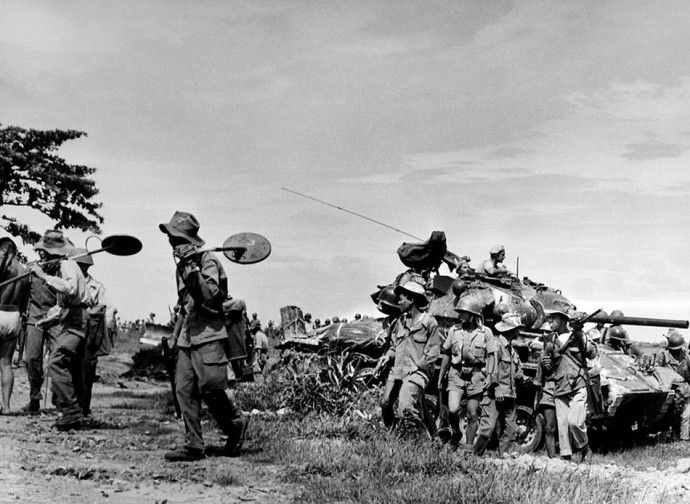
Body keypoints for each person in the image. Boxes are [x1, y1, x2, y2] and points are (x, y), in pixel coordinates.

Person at [159, 211, 248, 462]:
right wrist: (174, 337)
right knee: (184, 390)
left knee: (211, 388)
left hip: (209, 334)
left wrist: (193, 269)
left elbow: (208, 298)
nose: (172, 244)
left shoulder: (208, 261)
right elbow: (184, 306)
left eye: (175, 239)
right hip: (188, 336)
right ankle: (194, 445)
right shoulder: (181, 267)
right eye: (171, 239)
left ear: (188, 240)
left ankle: (235, 425)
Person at [30, 230, 89, 430]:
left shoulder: (68, 265)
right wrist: (50, 320)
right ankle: (71, 411)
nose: (41, 257)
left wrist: (43, 276)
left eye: (43, 253)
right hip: (67, 319)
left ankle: (71, 411)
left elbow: (70, 290)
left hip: (77, 322)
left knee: (57, 361)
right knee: (68, 366)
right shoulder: (61, 268)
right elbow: (64, 304)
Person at [378, 281, 440, 436]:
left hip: (417, 372)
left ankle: (418, 441)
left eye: (401, 299)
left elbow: (433, 352)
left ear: (411, 300)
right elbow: (395, 346)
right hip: (398, 370)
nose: (398, 302)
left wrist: (417, 366)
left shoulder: (429, 322)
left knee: (405, 407)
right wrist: (387, 357)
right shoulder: (400, 321)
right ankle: (393, 433)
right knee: (385, 403)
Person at [437, 296, 494, 449]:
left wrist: (489, 374)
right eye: (459, 312)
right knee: (453, 410)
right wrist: (440, 375)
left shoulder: (485, 333)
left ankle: (468, 447)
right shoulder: (454, 330)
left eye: (463, 312)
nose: (460, 315)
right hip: (456, 374)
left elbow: (491, 356)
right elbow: (447, 355)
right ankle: (456, 433)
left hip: (476, 376)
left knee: (472, 414)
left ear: (473, 314)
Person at [544, 307, 596, 462]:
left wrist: (582, 335)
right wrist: (547, 364)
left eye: (554, 318)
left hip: (577, 384)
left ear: (564, 320)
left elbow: (591, 353)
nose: (550, 321)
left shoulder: (578, 336)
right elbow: (548, 365)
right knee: (563, 424)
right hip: (560, 386)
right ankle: (565, 456)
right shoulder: (550, 340)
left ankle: (585, 448)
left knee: (575, 421)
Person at [68, 248, 115, 418]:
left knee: (86, 370)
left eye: (84, 265)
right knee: (69, 367)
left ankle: (83, 408)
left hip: (90, 333)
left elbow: (107, 309)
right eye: (78, 265)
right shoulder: (68, 283)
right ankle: (69, 407)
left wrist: (105, 328)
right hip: (71, 329)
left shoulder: (97, 287)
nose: (82, 268)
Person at [474, 312, 524, 456]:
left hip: (510, 394)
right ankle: (475, 456)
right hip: (495, 393)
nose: (519, 332)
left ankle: (505, 457)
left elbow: (516, 373)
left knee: (510, 429)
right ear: (510, 330)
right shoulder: (495, 344)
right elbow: (491, 369)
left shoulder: (512, 350)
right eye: (517, 329)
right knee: (487, 428)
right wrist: (496, 388)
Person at [0, 238, 30, 414]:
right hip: (14, 315)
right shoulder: (25, 271)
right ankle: (6, 406)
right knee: (6, 364)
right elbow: (24, 302)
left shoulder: (3, 266)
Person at [656, 330, 690, 441]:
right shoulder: (663, 356)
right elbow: (656, 371)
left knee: (685, 416)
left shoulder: (686, 357)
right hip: (668, 389)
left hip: (684, 390)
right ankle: (663, 438)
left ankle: (683, 439)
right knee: (666, 416)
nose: (677, 352)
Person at [531, 321, 559, 458]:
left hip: (564, 388)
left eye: (548, 332)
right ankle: (552, 457)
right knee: (549, 427)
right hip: (549, 389)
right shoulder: (542, 352)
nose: (544, 334)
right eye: (542, 332)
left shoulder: (561, 348)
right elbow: (539, 378)